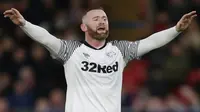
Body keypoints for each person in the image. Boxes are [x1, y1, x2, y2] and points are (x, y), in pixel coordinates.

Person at [3, 7, 197, 112]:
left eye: (104, 18)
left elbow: (150, 42)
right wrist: (24, 23)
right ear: (83, 27)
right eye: (96, 19)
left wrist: (176, 29)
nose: (102, 21)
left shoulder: (120, 50)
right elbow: (47, 38)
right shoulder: (72, 50)